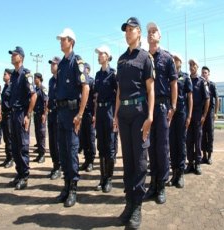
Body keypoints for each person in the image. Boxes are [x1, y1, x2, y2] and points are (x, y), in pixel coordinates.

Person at [113, 17, 155, 229]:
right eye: (126, 30)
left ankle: (137, 206)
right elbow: (119, 89)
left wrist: (150, 116)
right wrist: (116, 114)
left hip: (139, 112)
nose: (127, 33)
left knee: (139, 161)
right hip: (124, 113)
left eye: (131, 30)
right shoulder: (120, 60)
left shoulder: (146, 58)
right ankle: (129, 203)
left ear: (139, 33)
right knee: (128, 160)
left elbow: (150, 89)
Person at [55, 28, 89, 207]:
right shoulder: (61, 64)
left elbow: (86, 88)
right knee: (63, 151)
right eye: (60, 39)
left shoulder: (77, 62)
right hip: (61, 112)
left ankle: (74, 189)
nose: (61, 42)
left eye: (64, 39)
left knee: (72, 150)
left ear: (71, 42)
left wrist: (80, 114)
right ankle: (66, 186)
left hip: (72, 113)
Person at [144, 22, 178, 204]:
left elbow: (174, 84)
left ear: (160, 36)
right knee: (151, 146)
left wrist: (173, 107)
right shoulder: (144, 58)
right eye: (148, 32)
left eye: (154, 31)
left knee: (162, 147)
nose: (151, 34)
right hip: (148, 108)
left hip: (163, 107)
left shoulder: (167, 58)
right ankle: (153, 183)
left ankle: (162, 185)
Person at [8, 46, 37, 190]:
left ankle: (25, 176)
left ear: (21, 57)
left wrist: (28, 115)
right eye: (12, 54)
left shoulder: (26, 75)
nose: (12, 56)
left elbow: (34, 96)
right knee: (14, 146)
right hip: (13, 113)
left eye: (15, 54)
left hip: (21, 114)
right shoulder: (13, 75)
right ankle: (19, 173)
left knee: (22, 146)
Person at [167, 54, 193, 188]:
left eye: (175, 59)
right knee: (172, 143)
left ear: (180, 62)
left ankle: (181, 174)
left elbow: (190, 98)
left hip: (182, 113)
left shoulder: (185, 77)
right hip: (171, 113)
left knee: (181, 143)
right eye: (172, 59)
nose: (173, 61)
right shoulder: (169, 76)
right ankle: (174, 173)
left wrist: (189, 116)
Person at [94, 45, 117, 193]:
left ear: (107, 56)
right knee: (101, 146)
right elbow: (95, 97)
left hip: (109, 110)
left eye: (101, 53)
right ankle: (102, 178)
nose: (99, 56)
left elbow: (118, 95)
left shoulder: (113, 75)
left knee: (110, 146)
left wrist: (116, 116)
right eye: (98, 54)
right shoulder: (97, 75)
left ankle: (109, 179)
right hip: (100, 111)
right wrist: (95, 114)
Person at [185, 59, 210, 175]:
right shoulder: (186, 79)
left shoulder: (202, 82)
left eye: (193, 65)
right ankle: (190, 163)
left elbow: (207, 99)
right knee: (189, 140)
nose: (191, 67)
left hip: (198, 115)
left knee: (198, 140)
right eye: (190, 65)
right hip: (187, 116)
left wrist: (204, 115)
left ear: (197, 67)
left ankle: (198, 164)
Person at [79, 62, 96, 172]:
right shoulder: (80, 80)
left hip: (89, 112)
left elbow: (95, 99)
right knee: (83, 137)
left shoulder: (91, 81)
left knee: (90, 138)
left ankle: (91, 161)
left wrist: (94, 114)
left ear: (88, 70)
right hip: (82, 113)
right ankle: (86, 160)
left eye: (85, 69)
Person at [201, 66, 219, 165]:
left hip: (210, 113)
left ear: (208, 74)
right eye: (202, 72)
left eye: (205, 73)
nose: (204, 74)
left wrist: (215, 113)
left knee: (210, 135)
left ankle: (209, 156)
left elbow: (217, 99)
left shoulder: (212, 85)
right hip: (202, 112)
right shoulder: (200, 84)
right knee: (203, 134)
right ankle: (204, 156)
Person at [47, 56, 61, 180]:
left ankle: (59, 167)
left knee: (58, 142)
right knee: (51, 142)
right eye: (51, 64)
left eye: (54, 64)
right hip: (51, 114)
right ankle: (54, 165)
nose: (52, 66)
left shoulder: (61, 80)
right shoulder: (51, 81)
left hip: (59, 113)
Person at [0, 69, 13, 168]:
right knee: (5, 137)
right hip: (4, 114)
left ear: (10, 75)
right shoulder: (5, 86)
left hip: (9, 114)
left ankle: (11, 158)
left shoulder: (12, 87)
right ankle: (7, 157)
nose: (3, 76)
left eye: (5, 74)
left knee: (9, 137)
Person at [33, 72, 47, 163]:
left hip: (41, 114)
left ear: (39, 78)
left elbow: (46, 102)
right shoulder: (35, 89)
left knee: (41, 134)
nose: (34, 80)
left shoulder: (43, 89)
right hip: (36, 114)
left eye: (35, 78)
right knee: (37, 133)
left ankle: (42, 155)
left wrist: (44, 114)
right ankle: (39, 152)